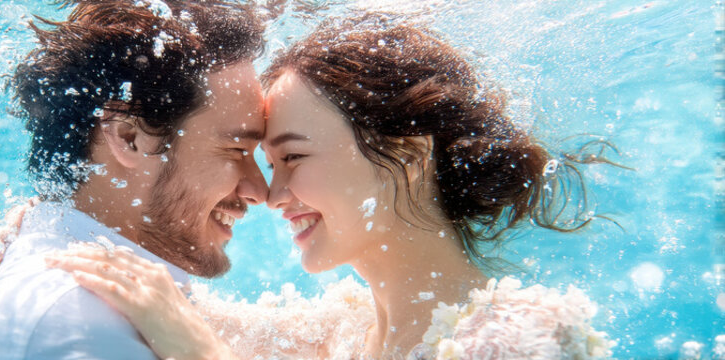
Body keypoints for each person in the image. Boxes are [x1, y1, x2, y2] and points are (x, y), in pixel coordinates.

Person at [46, 14, 617, 360]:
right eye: (271, 163)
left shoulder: (518, 338)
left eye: (293, 157)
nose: (272, 195)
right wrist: (39, 232)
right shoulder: (342, 328)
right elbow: (167, 307)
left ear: (408, 156)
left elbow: (192, 334)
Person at [0, 1, 270, 359]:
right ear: (128, 137)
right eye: (236, 150)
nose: (261, 191)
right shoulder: (80, 326)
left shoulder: (112, 292)